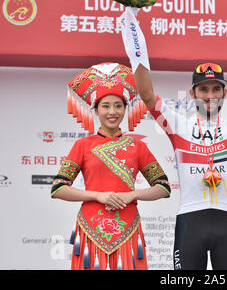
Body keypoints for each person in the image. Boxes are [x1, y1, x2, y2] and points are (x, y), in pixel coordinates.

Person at [119, 10, 227, 269]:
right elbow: (148, 96)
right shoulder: (177, 124)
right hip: (189, 221)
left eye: (216, 89)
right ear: (192, 93)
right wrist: (135, 47)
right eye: (203, 89)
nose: (210, 95)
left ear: (224, 93)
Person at [50, 62, 171, 270]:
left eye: (118, 105)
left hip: (128, 227)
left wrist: (132, 195)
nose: (112, 112)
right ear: (95, 110)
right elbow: (58, 188)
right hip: (91, 229)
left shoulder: (138, 147)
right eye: (105, 106)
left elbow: (163, 187)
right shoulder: (83, 145)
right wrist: (98, 195)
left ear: (125, 109)